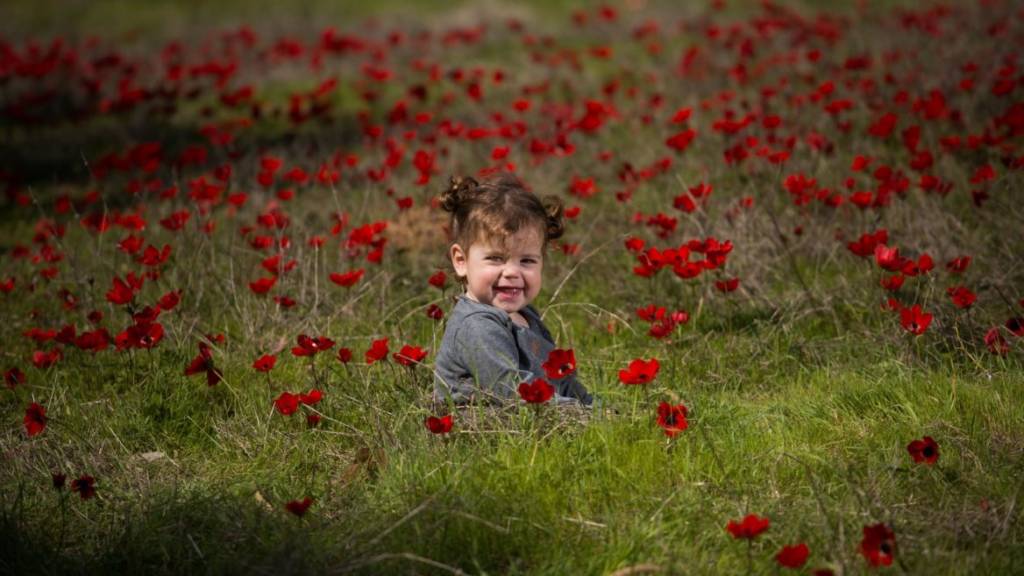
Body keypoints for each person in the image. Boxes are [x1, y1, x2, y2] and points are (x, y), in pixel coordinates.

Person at [433, 173, 594, 407]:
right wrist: (580, 415)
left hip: (537, 418)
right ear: (461, 260)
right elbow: (512, 390)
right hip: (484, 430)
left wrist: (595, 408)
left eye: (527, 261)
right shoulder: (477, 325)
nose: (512, 272)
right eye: (495, 258)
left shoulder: (527, 316)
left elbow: (560, 380)